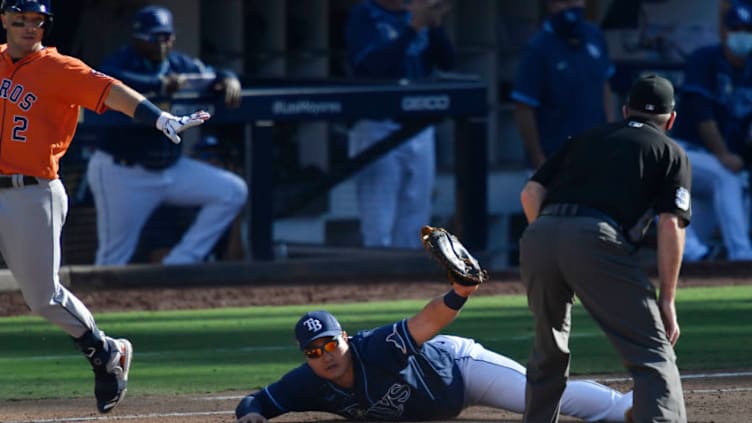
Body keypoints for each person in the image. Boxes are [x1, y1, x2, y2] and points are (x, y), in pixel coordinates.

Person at [0, 0, 209, 414]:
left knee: (42, 298)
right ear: (4, 21)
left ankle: (104, 351)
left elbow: (111, 91)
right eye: (19, 20)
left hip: (31, 193)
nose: (28, 28)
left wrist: (158, 118)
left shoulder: (60, 68)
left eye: (37, 21)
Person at [518, 75, 689, 422]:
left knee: (547, 353)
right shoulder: (670, 151)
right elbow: (670, 225)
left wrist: (555, 242)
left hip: (540, 234)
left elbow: (530, 193)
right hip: (594, 237)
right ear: (671, 120)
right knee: (652, 356)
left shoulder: (585, 138)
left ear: (625, 111)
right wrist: (667, 300)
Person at [234, 285, 633, 422]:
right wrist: (249, 413)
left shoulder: (374, 348)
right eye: (314, 351)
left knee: (540, 397)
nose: (325, 356)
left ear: (345, 338)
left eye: (330, 344)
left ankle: (631, 408)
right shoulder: (306, 384)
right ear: (306, 358)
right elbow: (259, 401)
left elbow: (426, 322)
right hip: (440, 399)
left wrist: (458, 293)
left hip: (460, 369)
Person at [86, 5, 248, 265]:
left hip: (170, 169)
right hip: (123, 172)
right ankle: (101, 303)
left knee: (231, 191)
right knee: (112, 259)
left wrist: (229, 79)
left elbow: (211, 74)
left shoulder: (177, 63)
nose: (163, 44)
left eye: (167, 37)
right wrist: (158, 85)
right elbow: (111, 80)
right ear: (139, 37)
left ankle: (181, 263)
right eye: (155, 37)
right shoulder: (121, 61)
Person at [344, 0, 453, 248]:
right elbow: (371, 67)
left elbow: (448, 61)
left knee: (417, 223)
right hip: (377, 125)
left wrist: (434, 26)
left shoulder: (416, 13)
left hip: (419, 127)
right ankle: (375, 283)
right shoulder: (365, 14)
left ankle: (408, 287)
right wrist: (413, 28)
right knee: (378, 224)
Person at [670, 2, 752, 262]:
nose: (742, 34)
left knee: (697, 246)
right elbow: (702, 115)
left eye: (748, 28)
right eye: (736, 28)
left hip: (716, 162)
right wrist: (724, 154)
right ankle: (742, 256)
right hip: (686, 152)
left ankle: (698, 255)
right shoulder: (704, 59)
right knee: (726, 177)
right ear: (724, 31)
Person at [511, 0, 615, 170]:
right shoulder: (537, 49)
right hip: (555, 159)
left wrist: (609, 135)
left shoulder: (595, 36)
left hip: (594, 155)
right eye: (563, 2)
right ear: (550, 4)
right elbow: (523, 107)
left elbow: (604, 86)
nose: (570, 7)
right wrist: (539, 160)